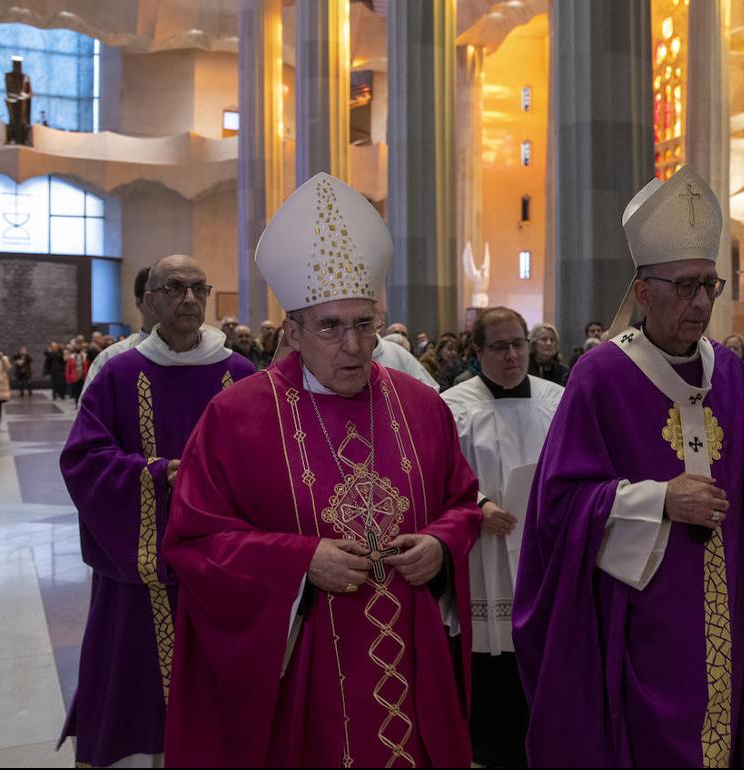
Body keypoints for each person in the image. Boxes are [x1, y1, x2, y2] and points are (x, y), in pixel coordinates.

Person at [162, 172, 481, 767]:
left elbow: (463, 502)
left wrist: (441, 544)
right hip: (304, 677)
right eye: (331, 327)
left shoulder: (422, 407)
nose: (354, 346)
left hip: (412, 656)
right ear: (293, 332)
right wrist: (300, 561)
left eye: (365, 325)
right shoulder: (237, 417)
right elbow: (196, 540)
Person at [513, 166, 744, 766]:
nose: (701, 302)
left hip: (734, 598)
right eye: (684, 287)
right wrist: (659, 500)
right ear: (643, 292)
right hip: (644, 620)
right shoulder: (599, 378)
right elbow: (559, 507)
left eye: (710, 284)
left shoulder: (732, 373)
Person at [58, 254, 256, 767]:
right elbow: (84, 458)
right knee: (136, 675)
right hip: (141, 566)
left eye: (198, 288)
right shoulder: (119, 372)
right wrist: (155, 474)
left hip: (223, 561)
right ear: (150, 300)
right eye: (174, 288)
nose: (188, 299)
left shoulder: (240, 373)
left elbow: (268, 458)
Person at [442, 307, 564, 767]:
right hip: (482, 552)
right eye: (500, 346)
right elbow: (440, 474)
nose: (513, 355)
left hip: (542, 548)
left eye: (520, 343)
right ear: (477, 353)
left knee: (539, 645)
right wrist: (478, 505)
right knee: (489, 651)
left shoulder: (557, 400)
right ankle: (489, 746)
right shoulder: (454, 405)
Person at [83, 268, 156, 393]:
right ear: (139, 303)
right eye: (156, 294)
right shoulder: (111, 358)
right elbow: (89, 410)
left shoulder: (201, 355)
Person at [528, 322, 570, 386]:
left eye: (552, 340)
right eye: (544, 339)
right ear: (534, 343)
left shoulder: (564, 371)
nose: (549, 343)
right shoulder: (525, 369)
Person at [65, 342, 88, 406]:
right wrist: (68, 377)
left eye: (79, 347)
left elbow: (86, 366)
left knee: (82, 389)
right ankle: (76, 402)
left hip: (82, 375)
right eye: (77, 347)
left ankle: (81, 402)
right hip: (74, 376)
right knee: (75, 390)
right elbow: (68, 368)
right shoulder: (71, 357)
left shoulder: (84, 356)